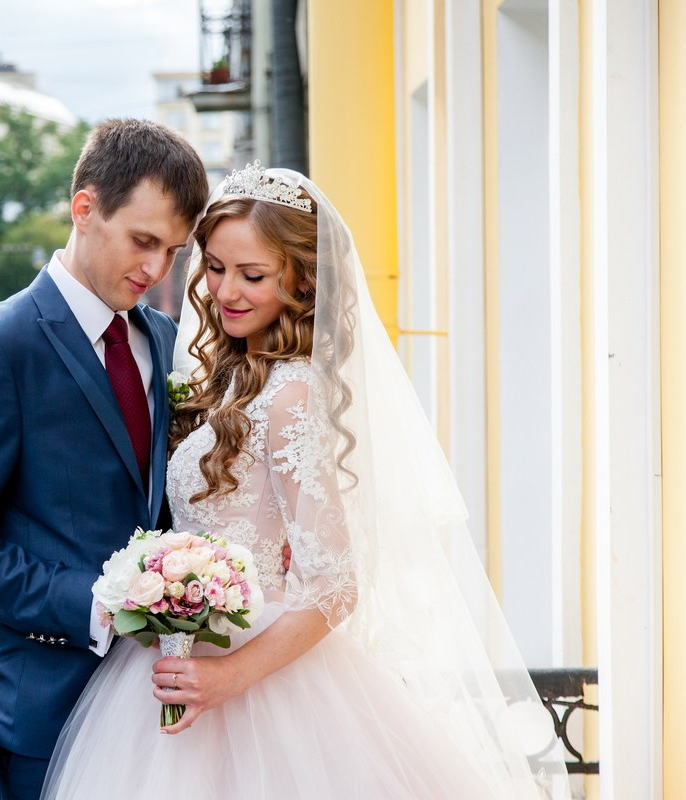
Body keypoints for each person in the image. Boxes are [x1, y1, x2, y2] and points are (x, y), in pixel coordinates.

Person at [40, 164, 571, 798]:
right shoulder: (227, 373)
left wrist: (228, 677)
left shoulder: (290, 391)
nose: (226, 291)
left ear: (300, 281)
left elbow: (337, 582)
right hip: (178, 656)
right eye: (214, 267)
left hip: (262, 683)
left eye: (253, 275)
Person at [0, 118, 211, 799]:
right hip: (49, 716)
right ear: (84, 208)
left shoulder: (161, 338)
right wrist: (94, 604)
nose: (156, 270)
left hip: (158, 709)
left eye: (173, 251)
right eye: (142, 241)